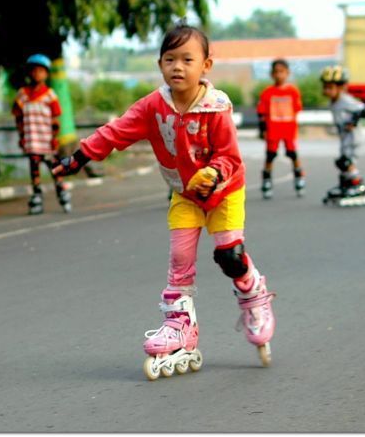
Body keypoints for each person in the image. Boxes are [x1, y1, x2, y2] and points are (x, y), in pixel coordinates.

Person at [53, 23, 276, 379]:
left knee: (229, 255)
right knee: (180, 260)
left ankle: (254, 294)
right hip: (185, 194)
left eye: (188, 59)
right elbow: (116, 131)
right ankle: (179, 325)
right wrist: (79, 157)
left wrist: (214, 173)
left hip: (224, 192)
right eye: (170, 59)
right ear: (160, 65)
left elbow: (231, 158)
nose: (178, 67)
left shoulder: (215, 107)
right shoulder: (153, 107)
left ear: (206, 66)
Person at [12, 54, 71, 215]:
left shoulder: (50, 95)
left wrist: (55, 138)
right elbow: (18, 118)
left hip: (47, 140)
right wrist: (21, 136)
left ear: (46, 73)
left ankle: (62, 192)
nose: (37, 74)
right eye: (34, 71)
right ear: (29, 73)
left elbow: (56, 119)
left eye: (40, 71)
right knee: (34, 170)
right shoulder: (22, 94)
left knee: (55, 168)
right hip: (31, 139)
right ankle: (37, 196)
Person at [319, 65, 365, 207]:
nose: (326, 91)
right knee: (341, 162)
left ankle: (359, 186)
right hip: (345, 138)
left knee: (347, 162)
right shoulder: (334, 101)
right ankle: (346, 186)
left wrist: (353, 121)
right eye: (325, 87)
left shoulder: (345, 100)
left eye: (330, 87)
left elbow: (363, 109)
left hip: (353, 138)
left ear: (341, 88)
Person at [256, 58, 305, 199]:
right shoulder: (267, 93)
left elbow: (297, 109)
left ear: (287, 73)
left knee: (292, 154)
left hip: (288, 130)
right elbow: (261, 113)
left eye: (282, 72)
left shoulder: (293, 92)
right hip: (273, 130)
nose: (279, 75)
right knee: (270, 156)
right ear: (272, 74)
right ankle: (266, 180)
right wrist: (262, 130)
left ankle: (299, 176)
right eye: (276, 72)